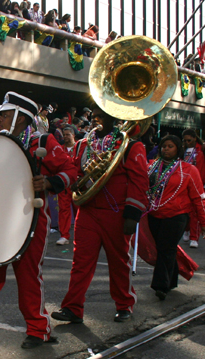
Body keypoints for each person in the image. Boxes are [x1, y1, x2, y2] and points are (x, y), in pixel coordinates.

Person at [0, 92, 77, 353]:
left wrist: (51, 182)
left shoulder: (42, 140)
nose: (0, 117)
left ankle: (38, 329)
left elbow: (71, 171)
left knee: (29, 277)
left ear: (21, 117)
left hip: (31, 220)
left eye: (6, 114)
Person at [52, 107, 149, 324]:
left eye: (103, 115)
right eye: (96, 115)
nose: (98, 119)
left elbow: (139, 180)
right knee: (80, 262)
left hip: (117, 213)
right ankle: (72, 308)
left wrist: (132, 214)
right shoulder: (83, 144)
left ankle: (125, 304)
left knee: (118, 262)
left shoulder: (131, 144)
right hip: (88, 210)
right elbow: (75, 170)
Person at [146, 135, 205, 300]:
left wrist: (204, 221)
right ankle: (171, 280)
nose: (166, 149)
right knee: (165, 248)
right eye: (164, 146)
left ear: (178, 149)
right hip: (154, 214)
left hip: (177, 216)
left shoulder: (189, 170)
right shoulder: (151, 167)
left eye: (170, 146)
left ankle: (161, 285)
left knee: (166, 248)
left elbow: (199, 197)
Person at [56, 125, 76, 246]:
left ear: (73, 135)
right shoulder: (59, 149)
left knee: (79, 210)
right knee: (63, 210)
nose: (65, 137)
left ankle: (81, 235)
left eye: (68, 134)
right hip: (64, 184)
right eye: (64, 135)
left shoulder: (81, 147)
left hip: (78, 184)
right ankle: (64, 235)